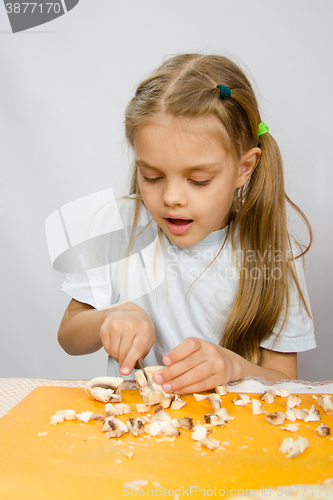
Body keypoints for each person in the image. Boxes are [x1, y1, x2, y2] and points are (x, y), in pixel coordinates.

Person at [58, 53, 315, 394]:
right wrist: (109, 316)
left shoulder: (273, 250)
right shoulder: (116, 226)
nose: (172, 198)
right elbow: (69, 335)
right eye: (153, 176)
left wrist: (234, 368)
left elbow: (287, 382)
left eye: (199, 180)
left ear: (244, 168)